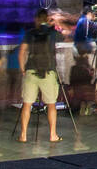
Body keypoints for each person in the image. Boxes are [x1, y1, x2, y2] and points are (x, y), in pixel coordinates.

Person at [18, 9, 66, 142]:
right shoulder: (52, 33)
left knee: (27, 104)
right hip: (48, 71)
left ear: (36, 19)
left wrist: (23, 69)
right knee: (51, 104)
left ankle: (23, 135)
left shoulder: (29, 33)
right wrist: (55, 24)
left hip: (31, 71)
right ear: (47, 18)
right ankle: (53, 135)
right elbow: (65, 36)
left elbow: (22, 52)